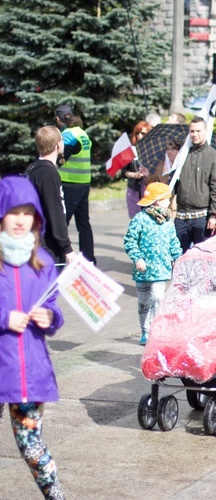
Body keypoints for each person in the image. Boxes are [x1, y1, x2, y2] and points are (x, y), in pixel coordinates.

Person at [0, 176, 66, 499]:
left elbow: (54, 310)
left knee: (33, 449)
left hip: (30, 373)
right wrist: (3, 318)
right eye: (14, 212)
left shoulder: (43, 264)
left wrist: (50, 317)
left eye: (28, 213)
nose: (21, 220)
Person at [123, 182, 182, 345]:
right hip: (142, 271)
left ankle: (156, 331)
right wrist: (137, 258)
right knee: (144, 302)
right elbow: (130, 241)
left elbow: (173, 242)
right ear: (157, 201)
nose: (169, 202)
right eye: (166, 199)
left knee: (158, 298)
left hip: (161, 270)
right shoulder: (140, 219)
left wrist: (178, 257)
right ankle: (145, 331)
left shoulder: (168, 221)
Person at [24, 126, 75, 265]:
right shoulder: (48, 174)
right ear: (58, 144)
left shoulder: (33, 168)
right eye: (62, 139)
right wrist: (67, 247)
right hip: (47, 245)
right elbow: (54, 211)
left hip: (37, 241)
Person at [172, 117, 216, 253]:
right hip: (181, 216)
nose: (194, 134)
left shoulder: (213, 156)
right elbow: (174, 182)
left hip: (201, 217)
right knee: (179, 255)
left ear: (206, 131)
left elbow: (215, 188)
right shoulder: (183, 154)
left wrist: (213, 215)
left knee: (202, 256)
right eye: (192, 131)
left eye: (198, 131)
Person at [54, 105, 96, 265]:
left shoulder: (68, 134)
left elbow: (67, 152)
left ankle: (59, 259)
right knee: (84, 224)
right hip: (84, 183)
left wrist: (54, 166)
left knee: (61, 223)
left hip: (70, 185)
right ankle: (89, 260)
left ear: (58, 119)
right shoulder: (82, 133)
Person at [123, 121, 152, 219]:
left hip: (148, 190)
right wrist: (134, 175)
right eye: (137, 133)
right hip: (133, 189)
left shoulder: (152, 151)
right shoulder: (130, 150)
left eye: (143, 133)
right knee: (135, 221)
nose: (139, 136)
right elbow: (124, 171)